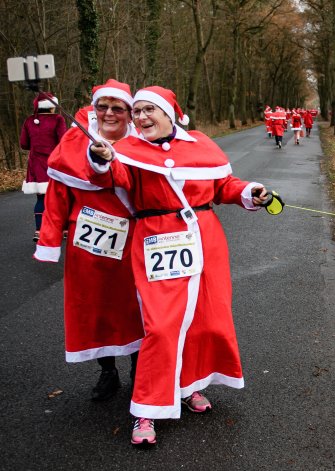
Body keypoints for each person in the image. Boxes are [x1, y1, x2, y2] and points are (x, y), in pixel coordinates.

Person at [88, 85, 271, 446]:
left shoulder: (200, 144)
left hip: (206, 240)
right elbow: (113, 178)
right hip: (157, 238)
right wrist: (102, 159)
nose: (140, 117)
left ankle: (189, 386)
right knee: (161, 324)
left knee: (206, 319)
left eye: (148, 110)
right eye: (136, 111)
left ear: (169, 114)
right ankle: (147, 409)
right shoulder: (127, 151)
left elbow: (223, 185)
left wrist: (250, 191)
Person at [34, 79, 144, 401]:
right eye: (102, 106)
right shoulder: (73, 142)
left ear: (129, 112)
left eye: (118, 108)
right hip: (88, 247)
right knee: (94, 309)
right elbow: (56, 196)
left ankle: (141, 369)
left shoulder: (142, 144)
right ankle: (107, 372)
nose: (109, 113)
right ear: (94, 108)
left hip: (132, 242)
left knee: (136, 308)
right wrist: (50, 242)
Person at [20, 91, 67, 241]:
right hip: (55, 163)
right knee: (61, 197)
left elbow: (24, 144)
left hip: (36, 164)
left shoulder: (29, 121)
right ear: (52, 106)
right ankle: (65, 229)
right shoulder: (58, 120)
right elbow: (63, 142)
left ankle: (39, 230)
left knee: (41, 198)